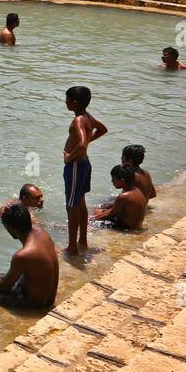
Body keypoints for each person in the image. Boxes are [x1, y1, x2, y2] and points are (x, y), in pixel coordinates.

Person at [0, 202, 59, 309]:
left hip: (34, 303)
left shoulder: (22, 255)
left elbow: (5, 286)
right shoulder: (42, 233)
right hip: (49, 299)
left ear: (10, 228)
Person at [63, 85, 108, 256]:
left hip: (75, 166)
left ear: (74, 102)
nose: (65, 102)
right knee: (80, 201)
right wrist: (87, 143)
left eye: (67, 99)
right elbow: (102, 130)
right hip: (84, 164)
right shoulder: (87, 116)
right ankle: (82, 240)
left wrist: (69, 156)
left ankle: (72, 247)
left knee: (71, 205)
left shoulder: (78, 120)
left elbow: (81, 144)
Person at [94, 165, 148, 230]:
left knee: (93, 222)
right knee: (97, 211)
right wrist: (101, 209)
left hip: (127, 227)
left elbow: (110, 215)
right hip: (135, 225)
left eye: (113, 179)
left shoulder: (124, 196)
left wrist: (91, 218)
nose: (112, 181)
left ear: (122, 181)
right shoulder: (136, 190)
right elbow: (116, 205)